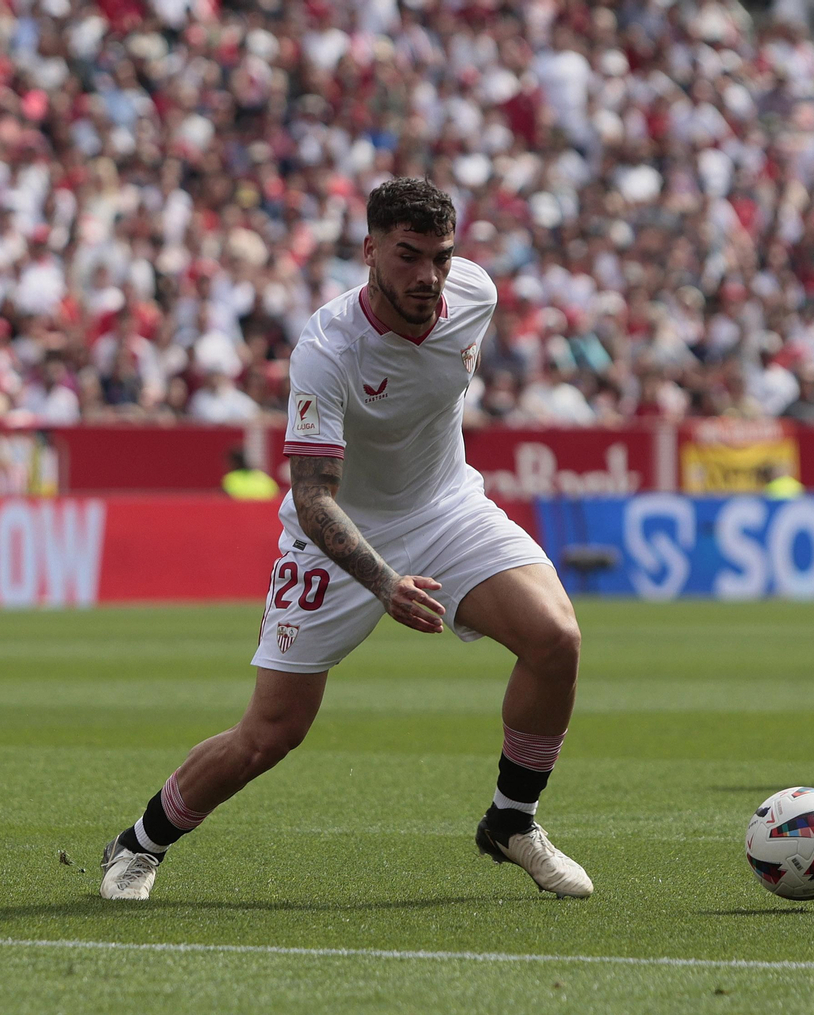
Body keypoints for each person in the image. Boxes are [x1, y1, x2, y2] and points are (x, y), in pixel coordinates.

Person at [100, 179, 592, 902]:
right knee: (271, 732)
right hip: (338, 533)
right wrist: (385, 581)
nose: (427, 276)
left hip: (446, 508)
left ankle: (512, 820)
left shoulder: (475, 295)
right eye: (408, 256)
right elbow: (313, 496)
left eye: (440, 257)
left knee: (557, 640)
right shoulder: (328, 348)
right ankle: (140, 843)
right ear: (369, 250)